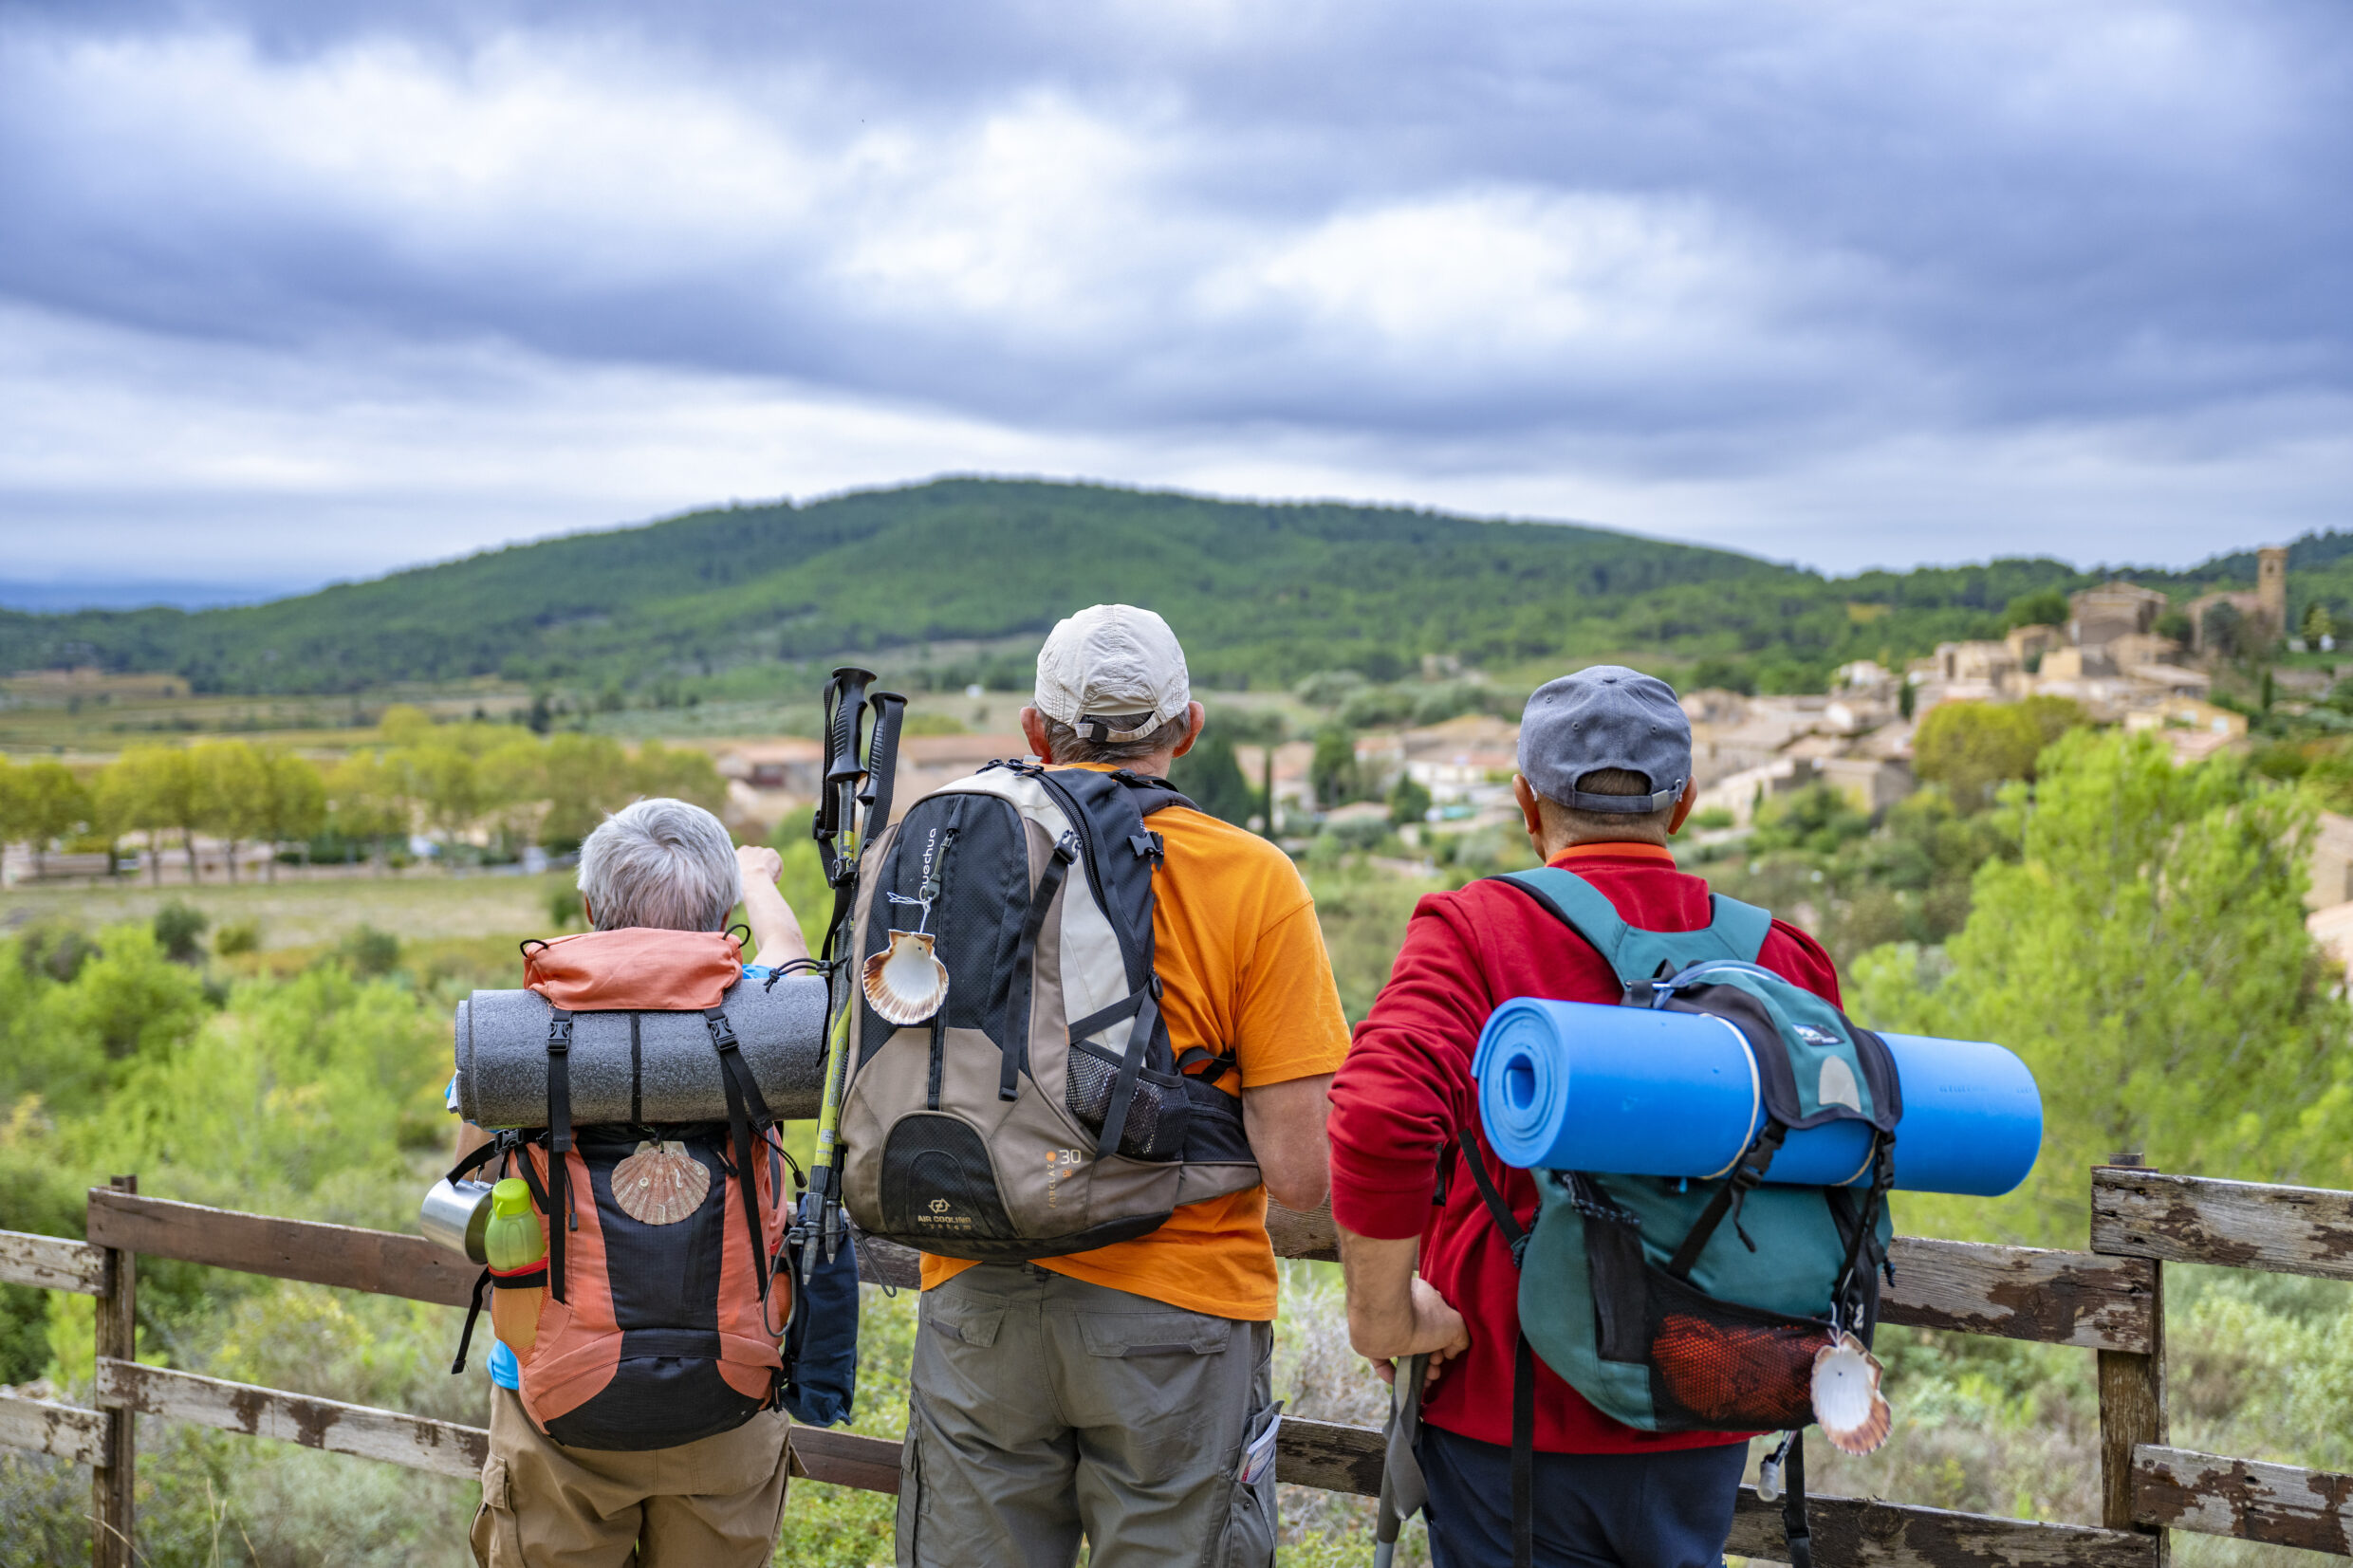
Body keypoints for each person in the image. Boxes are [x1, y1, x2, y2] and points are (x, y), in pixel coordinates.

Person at [1327, 666, 1847, 1568]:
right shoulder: (1783, 955)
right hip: (1709, 1402)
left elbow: (1377, 1115)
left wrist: (1383, 1317)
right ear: (1679, 807)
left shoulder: (1475, 930)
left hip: (1509, 1419)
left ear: (1526, 802)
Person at [897, 604, 1352, 1568]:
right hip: (1177, 1310)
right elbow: (1301, 1176)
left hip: (976, 1287)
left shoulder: (951, 860)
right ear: (1187, 729)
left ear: (1033, 730)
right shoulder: (1254, 879)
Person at [452, 796, 810, 1568]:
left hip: (554, 1394)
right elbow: (791, 959)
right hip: (731, 1387)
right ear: (721, 919)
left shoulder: (515, 1033)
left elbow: (475, 1177)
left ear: (588, 906)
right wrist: (758, 879)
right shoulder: (767, 1023)